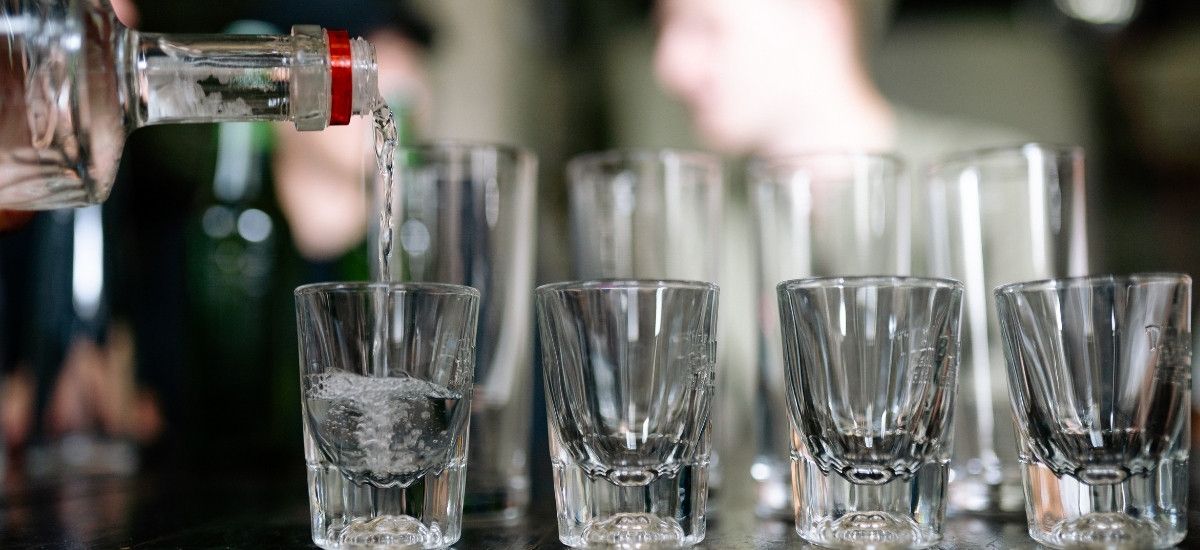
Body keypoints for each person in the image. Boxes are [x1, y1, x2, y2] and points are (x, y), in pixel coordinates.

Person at [652, 0, 1027, 515]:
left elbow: (1041, 419)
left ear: (817, 16)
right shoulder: (696, 215)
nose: (668, 64)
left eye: (704, 26)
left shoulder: (1001, 188)